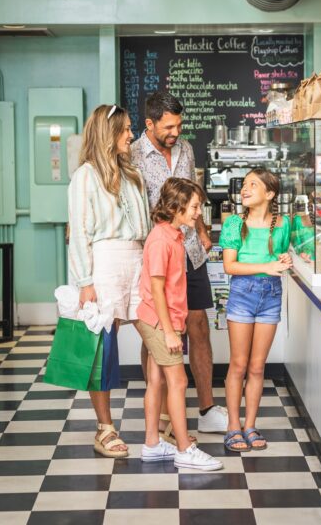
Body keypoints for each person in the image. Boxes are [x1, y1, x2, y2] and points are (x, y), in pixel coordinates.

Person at [131, 91, 228, 439]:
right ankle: (157, 415)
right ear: (150, 123)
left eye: (178, 125)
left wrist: (201, 229)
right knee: (156, 331)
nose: (175, 132)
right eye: (169, 127)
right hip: (159, 252)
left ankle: (206, 409)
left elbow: (193, 191)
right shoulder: (133, 155)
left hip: (191, 251)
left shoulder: (185, 148)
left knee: (199, 324)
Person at [68, 103, 150, 458]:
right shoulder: (85, 176)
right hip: (103, 264)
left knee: (157, 333)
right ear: (109, 133)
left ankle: (164, 415)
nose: (131, 135)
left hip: (137, 258)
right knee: (102, 347)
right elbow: (80, 232)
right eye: (126, 129)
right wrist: (85, 281)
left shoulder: (133, 174)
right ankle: (105, 428)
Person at [136, 177, 223, 471]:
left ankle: (152, 443)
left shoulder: (174, 235)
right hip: (160, 322)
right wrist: (170, 331)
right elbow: (157, 289)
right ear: (177, 206)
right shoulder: (161, 240)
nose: (199, 212)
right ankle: (184, 448)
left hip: (158, 319)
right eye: (195, 206)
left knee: (157, 380)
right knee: (179, 381)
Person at [219, 167, 292, 452]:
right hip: (242, 295)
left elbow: (283, 255)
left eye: (253, 184)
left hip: (271, 296)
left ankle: (250, 425)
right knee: (238, 364)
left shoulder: (283, 223)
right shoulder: (234, 223)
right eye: (244, 185)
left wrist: (285, 258)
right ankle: (233, 426)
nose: (245, 189)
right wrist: (267, 266)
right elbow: (229, 266)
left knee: (257, 366)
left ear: (270, 193)